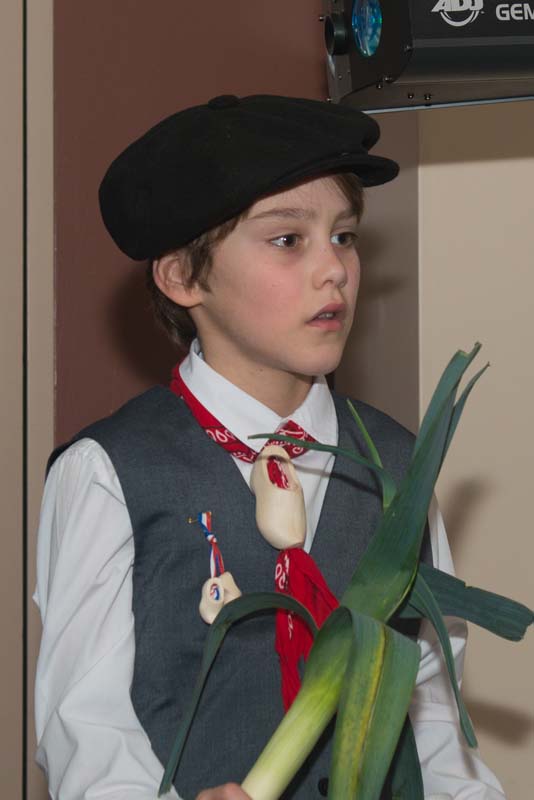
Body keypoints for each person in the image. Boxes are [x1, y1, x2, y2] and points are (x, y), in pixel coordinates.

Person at [34, 94, 506, 800]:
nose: (334, 269)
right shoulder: (110, 472)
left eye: (344, 236)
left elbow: (434, 722)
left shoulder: (399, 467)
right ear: (183, 276)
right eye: (289, 240)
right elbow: (86, 735)